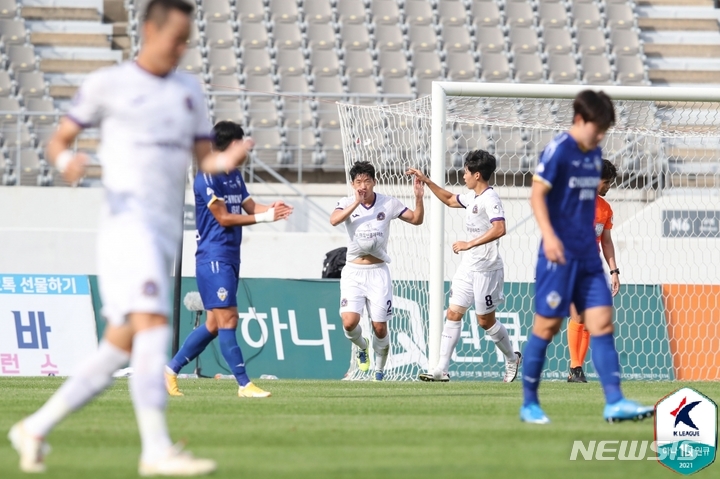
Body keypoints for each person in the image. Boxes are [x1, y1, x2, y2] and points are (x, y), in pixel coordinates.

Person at [8, 0, 252, 474]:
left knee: (119, 345)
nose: (181, 48)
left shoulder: (188, 91)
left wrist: (229, 160)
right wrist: (66, 162)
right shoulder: (109, 84)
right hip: (127, 227)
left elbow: (205, 159)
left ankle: (34, 427)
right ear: (148, 31)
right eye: (174, 38)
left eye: (187, 40)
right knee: (154, 326)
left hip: (163, 233)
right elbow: (59, 140)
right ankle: (156, 448)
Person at [520, 90, 654, 424]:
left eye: (605, 129)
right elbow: (536, 197)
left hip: (588, 258)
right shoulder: (558, 151)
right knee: (547, 326)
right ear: (580, 120)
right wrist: (550, 237)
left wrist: (611, 266)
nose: (601, 135)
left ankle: (615, 401)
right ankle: (530, 403)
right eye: (598, 127)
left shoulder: (594, 155)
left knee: (602, 324)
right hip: (558, 256)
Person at [164, 120, 292, 398]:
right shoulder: (207, 176)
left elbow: (248, 206)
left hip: (231, 256)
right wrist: (262, 218)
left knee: (213, 324)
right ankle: (244, 384)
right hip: (213, 257)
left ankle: (170, 371)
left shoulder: (233, 174)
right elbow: (222, 217)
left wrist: (271, 208)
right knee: (229, 318)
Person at [407, 150, 522, 383]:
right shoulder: (472, 198)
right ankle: (441, 369)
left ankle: (512, 358)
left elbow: (500, 228)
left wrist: (470, 243)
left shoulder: (490, 199)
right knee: (453, 312)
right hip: (468, 267)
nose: (463, 174)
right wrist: (427, 181)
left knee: (484, 322)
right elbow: (450, 199)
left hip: (487, 269)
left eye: (466, 171)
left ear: (477, 175)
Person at [330, 161, 424, 381]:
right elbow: (334, 220)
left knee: (380, 327)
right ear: (353, 184)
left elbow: (417, 220)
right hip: (353, 271)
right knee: (349, 322)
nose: (363, 186)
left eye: (366, 181)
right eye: (358, 182)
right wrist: (356, 203)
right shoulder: (346, 203)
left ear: (374, 182)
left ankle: (379, 372)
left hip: (378, 272)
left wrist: (419, 197)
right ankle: (362, 347)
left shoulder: (388, 203)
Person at [567, 159, 620, 383]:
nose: (608, 186)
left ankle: (576, 370)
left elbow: (606, 241)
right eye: (606, 182)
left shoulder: (605, 209)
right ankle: (575, 366)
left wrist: (614, 271)